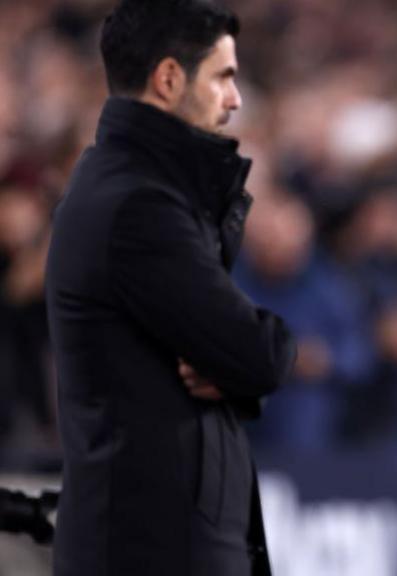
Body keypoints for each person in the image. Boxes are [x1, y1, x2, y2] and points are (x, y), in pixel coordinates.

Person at [45, 1, 295, 575]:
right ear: (169, 78)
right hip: (151, 548)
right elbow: (259, 353)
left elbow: (232, 352)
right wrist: (242, 357)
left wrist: (228, 361)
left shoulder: (130, 186)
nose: (235, 99)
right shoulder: (139, 206)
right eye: (224, 77)